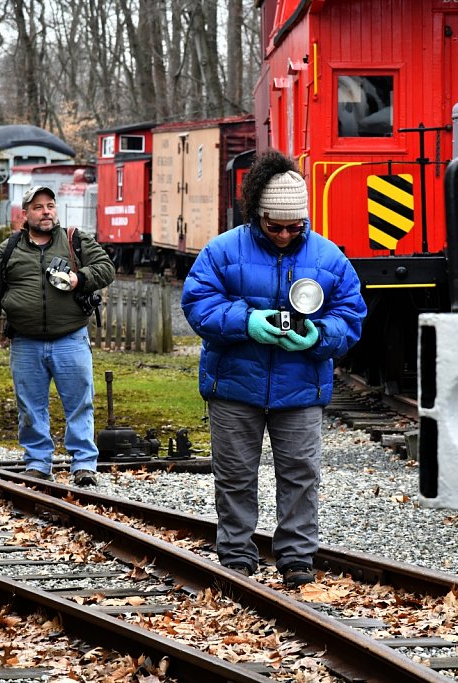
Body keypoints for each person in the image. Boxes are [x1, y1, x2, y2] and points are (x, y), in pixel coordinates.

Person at [181, 150, 366, 588]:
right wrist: (247, 322)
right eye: (274, 225)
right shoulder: (221, 251)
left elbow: (351, 315)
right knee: (235, 474)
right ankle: (237, 554)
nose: (284, 235)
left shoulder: (329, 258)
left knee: (301, 474)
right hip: (235, 385)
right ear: (257, 215)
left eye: (294, 226)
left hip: (300, 386)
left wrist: (319, 336)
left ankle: (297, 558)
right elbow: (197, 303)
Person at [0, 186, 114, 487]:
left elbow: (106, 268)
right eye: (38, 207)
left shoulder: (75, 240)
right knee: (29, 405)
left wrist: (81, 278)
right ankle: (38, 463)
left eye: (50, 205)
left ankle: (84, 464)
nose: (46, 211)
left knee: (79, 403)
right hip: (25, 342)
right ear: (26, 214)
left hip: (70, 338)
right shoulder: (10, 247)